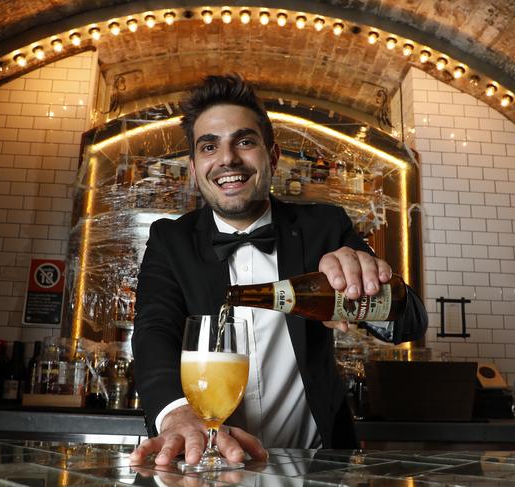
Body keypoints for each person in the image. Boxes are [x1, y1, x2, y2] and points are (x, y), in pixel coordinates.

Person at [130, 74, 428, 466]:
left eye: (245, 141)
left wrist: (367, 280)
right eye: (209, 146)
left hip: (316, 462)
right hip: (207, 463)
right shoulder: (171, 240)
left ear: (272, 156)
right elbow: (153, 331)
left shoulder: (325, 227)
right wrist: (177, 414)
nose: (228, 159)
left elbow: (410, 322)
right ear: (193, 168)